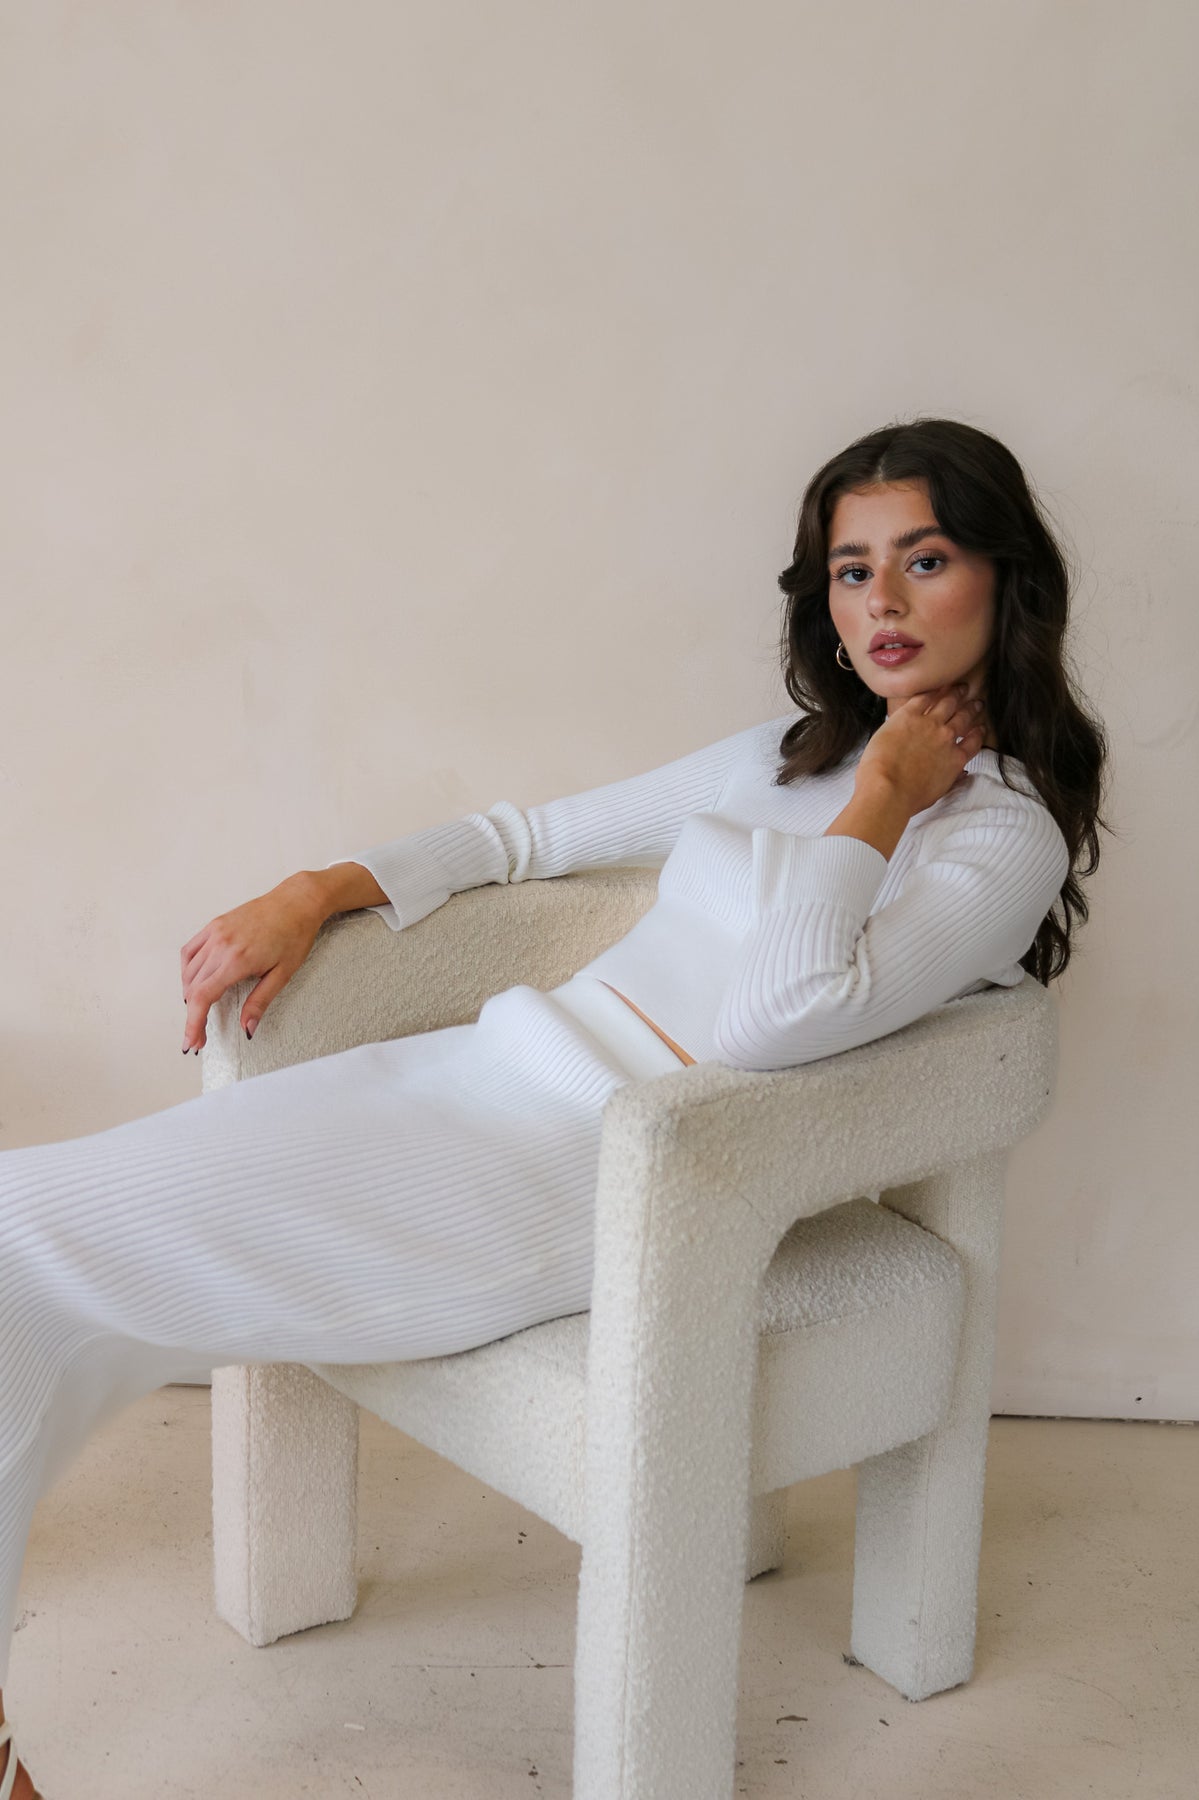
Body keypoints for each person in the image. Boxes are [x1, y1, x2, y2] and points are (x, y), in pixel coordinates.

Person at [0, 416, 1109, 1798]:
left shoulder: (1001, 831)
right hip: (470, 1078)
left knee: (22, 1257)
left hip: (598, 1171)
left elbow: (777, 1018)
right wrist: (320, 890)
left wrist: (887, 796)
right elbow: (534, 836)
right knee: (32, 1272)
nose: (877, 602)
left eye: (924, 558)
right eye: (848, 568)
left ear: (1005, 577)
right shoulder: (792, 752)